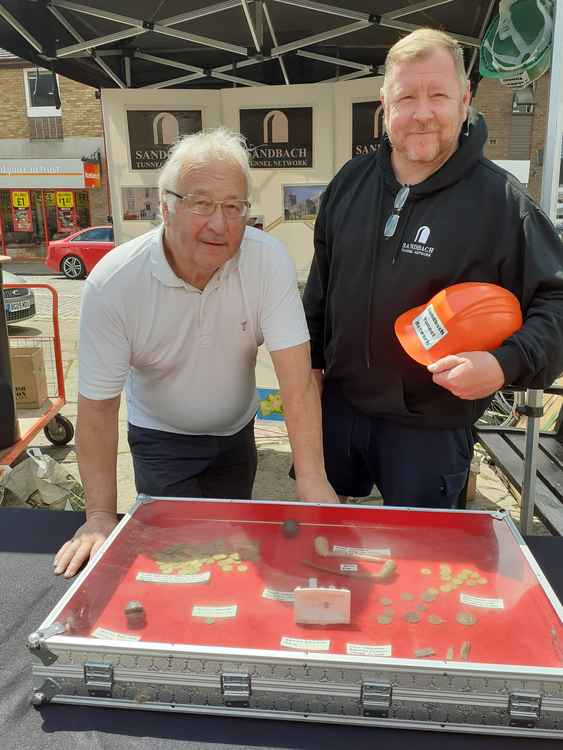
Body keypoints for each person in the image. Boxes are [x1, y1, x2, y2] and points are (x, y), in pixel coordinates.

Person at [54, 127, 338, 578]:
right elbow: (97, 409)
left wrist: (312, 481)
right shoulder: (115, 283)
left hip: (236, 436)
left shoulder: (267, 261)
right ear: (165, 207)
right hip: (161, 440)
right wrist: (100, 516)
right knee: (178, 564)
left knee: (232, 558)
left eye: (233, 207)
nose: (219, 224)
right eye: (201, 203)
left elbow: (297, 380)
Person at [303, 28, 563, 509]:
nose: (422, 113)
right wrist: (308, 371)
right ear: (385, 104)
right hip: (338, 410)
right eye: (406, 97)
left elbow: (558, 302)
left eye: (438, 94)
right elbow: (319, 291)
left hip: (430, 427)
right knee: (329, 552)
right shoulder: (349, 184)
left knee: (418, 564)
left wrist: (504, 364)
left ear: (464, 99)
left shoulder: (502, 203)